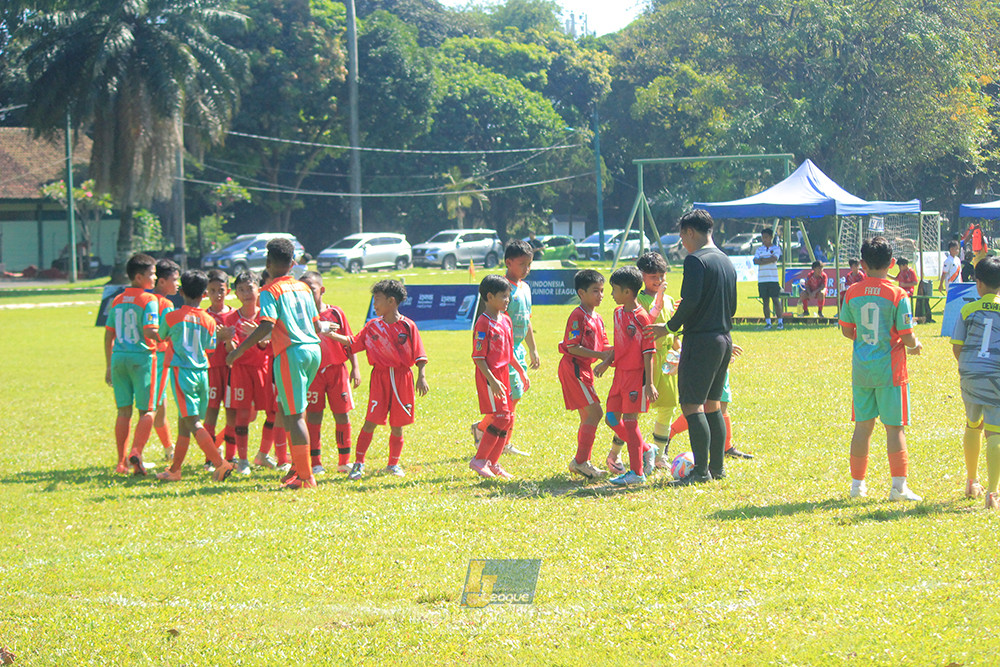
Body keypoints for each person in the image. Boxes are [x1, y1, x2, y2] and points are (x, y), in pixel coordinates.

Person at [227, 238, 323, 490]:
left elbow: (267, 324)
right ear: (292, 263)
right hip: (313, 349)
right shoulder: (303, 288)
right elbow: (315, 323)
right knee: (295, 411)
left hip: (291, 353)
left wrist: (238, 350)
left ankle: (305, 477)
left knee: (294, 415)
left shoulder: (270, 291)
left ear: (268, 263)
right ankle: (297, 468)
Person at [650, 209, 737, 484]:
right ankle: (717, 468)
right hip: (723, 338)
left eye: (682, 238)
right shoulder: (726, 261)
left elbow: (689, 301)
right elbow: (732, 306)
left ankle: (700, 471)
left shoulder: (696, 261)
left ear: (690, 232)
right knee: (713, 405)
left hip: (701, 340)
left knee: (691, 404)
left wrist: (668, 327)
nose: (682, 244)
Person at [839, 236, 922, 501]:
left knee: (862, 428)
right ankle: (898, 488)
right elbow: (906, 335)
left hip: (862, 370)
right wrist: (915, 344)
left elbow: (846, 330)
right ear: (893, 263)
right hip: (891, 372)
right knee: (894, 428)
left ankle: (856, 486)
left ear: (862, 264)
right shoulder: (899, 294)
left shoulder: (852, 292)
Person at [329, 279, 429, 480]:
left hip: (402, 378)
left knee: (397, 424)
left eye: (378, 300)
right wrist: (332, 335)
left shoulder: (408, 326)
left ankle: (393, 464)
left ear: (392, 301)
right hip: (380, 377)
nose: (374, 305)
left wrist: (422, 376)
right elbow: (354, 342)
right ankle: (358, 464)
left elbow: (420, 354)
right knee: (370, 421)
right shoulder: (372, 326)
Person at [154, 270, 233, 482]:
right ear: (204, 294)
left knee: (193, 422)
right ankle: (175, 470)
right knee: (185, 424)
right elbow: (210, 348)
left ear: (180, 291)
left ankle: (219, 463)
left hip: (183, 373)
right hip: (202, 374)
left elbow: (161, 336)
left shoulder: (171, 317)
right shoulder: (208, 320)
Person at [471, 240, 539, 456]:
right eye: (522, 264)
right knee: (506, 400)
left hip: (516, 350)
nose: (526, 269)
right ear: (509, 262)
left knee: (515, 397)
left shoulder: (526, 288)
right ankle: (487, 431)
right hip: (500, 354)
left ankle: (495, 435)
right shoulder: (498, 288)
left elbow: (526, 320)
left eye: (530, 264)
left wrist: (533, 349)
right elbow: (484, 321)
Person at [594, 266, 657, 486]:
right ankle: (647, 450)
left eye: (614, 290)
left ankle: (637, 473)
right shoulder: (618, 313)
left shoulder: (642, 317)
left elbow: (649, 352)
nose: (611, 294)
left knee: (630, 423)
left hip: (636, 377)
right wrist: (606, 362)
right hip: (619, 375)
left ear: (628, 292)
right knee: (611, 418)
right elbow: (620, 344)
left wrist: (649, 383)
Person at [950, 257, 1000, 508]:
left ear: (977, 284)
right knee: (995, 432)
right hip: (996, 375)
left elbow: (957, 346)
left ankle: (971, 482)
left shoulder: (967, 310)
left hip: (970, 372)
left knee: (972, 424)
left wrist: (970, 368)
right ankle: (992, 494)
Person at [104, 253, 161, 475]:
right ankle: (136, 452)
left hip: (118, 358)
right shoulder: (149, 300)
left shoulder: (117, 300)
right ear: (139, 277)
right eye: (152, 274)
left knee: (123, 411)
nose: (154, 278)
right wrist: (166, 337)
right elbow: (149, 330)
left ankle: (122, 462)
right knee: (147, 410)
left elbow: (109, 335)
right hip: (142, 358)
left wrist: (109, 365)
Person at [469, 274, 530, 479]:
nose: (507, 301)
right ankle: (479, 460)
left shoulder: (506, 320)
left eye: (508, 296)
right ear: (489, 297)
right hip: (490, 376)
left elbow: (508, 351)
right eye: (504, 296)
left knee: (508, 418)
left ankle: (493, 463)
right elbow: (478, 357)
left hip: (504, 375)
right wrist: (492, 380)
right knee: (501, 416)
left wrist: (521, 371)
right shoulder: (483, 323)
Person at [301, 271, 361, 475]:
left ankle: (344, 461)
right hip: (313, 372)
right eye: (304, 290)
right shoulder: (301, 317)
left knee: (342, 416)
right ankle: (315, 462)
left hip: (337, 372)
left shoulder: (336, 313)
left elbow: (349, 340)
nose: (308, 293)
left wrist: (356, 367)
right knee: (314, 417)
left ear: (322, 290)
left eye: (312, 289)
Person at [224, 271, 281, 473]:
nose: (247, 293)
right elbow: (230, 350)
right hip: (241, 371)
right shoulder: (232, 318)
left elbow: (273, 343)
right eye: (241, 289)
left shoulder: (267, 316)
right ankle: (243, 460)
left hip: (264, 369)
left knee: (273, 412)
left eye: (250, 288)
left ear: (259, 289)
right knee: (242, 415)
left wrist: (260, 338)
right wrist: (228, 341)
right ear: (236, 294)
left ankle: (263, 454)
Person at [558, 269, 611, 480]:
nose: (601, 295)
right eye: (595, 291)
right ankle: (580, 461)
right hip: (574, 368)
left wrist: (621, 351)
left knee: (588, 416)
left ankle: (582, 461)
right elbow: (572, 346)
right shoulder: (578, 315)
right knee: (595, 413)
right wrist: (600, 355)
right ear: (581, 293)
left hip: (585, 369)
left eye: (602, 291)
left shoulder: (597, 318)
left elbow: (605, 345)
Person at [665, 344, 754, 460]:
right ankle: (668, 435)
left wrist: (724, 350)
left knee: (722, 403)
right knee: (701, 408)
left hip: (719, 361)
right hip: (706, 362)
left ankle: (727, 448)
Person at [634, 251, 680, 469]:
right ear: (642, 276)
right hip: (647, 360)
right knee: (634, 408)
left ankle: (660, 455)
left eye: (661, 276)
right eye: (653, 276)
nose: (658, 281)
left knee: (668, 406)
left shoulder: (671, 300)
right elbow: (646, 327)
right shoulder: (638, 300)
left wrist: (679, 351)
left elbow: (673, 331)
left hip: (668, 361)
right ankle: (621, 451)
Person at [202, 269, 235, 456]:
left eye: (221, 290)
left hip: (232, 370)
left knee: (233, 413)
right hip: (212, 369)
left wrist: (228, 341)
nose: (217, 295)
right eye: (212, 290)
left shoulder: (233, 315)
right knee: (211, 411)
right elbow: (202, 346)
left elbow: (235, 347)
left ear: (228, 291)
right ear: (206, 292)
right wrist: (216, 337)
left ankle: (229, 453)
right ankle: (210, 456)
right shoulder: (204, 317)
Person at [151, 258, 180, 461]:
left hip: (145, 356)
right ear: (162, 281)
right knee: (154, 405)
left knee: (159, 404)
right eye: (175, 280)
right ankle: (137, 450)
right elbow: (169, 333)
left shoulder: (144, 299)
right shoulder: (165, 304)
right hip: (160, 357)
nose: (177, 284)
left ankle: (169, 448)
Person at [753, 227, 783, 330]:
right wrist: (767, 260)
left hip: (773, 279)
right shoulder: (759, 249)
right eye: (763, 237)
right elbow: (755, 261)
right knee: (765, 301)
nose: (764, 239)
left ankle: (780, 322)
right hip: (762, 280)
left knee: (776, 300)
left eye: (766, 237)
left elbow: (774, 258)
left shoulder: (776, 248)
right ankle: (768, 322)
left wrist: (762, 260)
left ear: (770, 237)